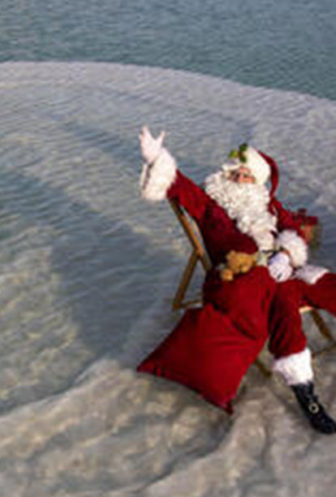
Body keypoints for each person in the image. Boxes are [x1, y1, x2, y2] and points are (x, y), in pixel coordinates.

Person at [138, 126, 336, 434]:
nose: (239, 178)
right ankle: (306, 397)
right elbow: (181, 187)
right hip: (242, 278)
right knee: (283, 302)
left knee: (326, 286)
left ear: (257, 182)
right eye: (235, 172)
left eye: (247, 175)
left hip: (282, 270)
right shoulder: (212, 205)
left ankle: (304, 389)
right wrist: (157, 158)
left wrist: (286, 253)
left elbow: (293, 229)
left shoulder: (269, 206)